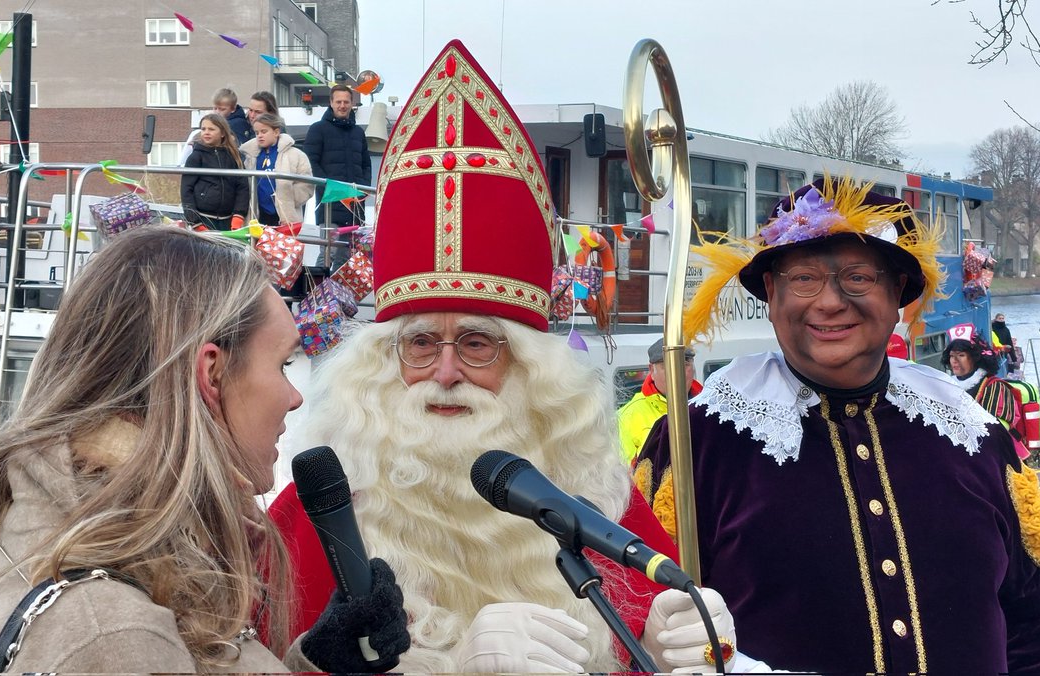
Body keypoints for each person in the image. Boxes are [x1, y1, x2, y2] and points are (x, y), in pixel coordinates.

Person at [269, 40, 744, 673]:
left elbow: (648, 629)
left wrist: (653, 653)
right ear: (383, 361)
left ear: (528, 368)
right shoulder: (316, 509)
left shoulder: (589, 491)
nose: (444, 374)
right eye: (419, 344)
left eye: (475, 343)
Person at [634, 177, 1040, 673]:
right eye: (803, 279)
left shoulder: (974, 435)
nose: (828, 302)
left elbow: (1033, 631)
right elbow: (640, 619)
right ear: (772, 294)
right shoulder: (697, 442)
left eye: (858, 277)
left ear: (897, 291)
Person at [0, 227, 408, 672]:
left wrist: (316, 663)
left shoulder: (55, 519)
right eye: (284, 364)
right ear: (211, 373)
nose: (295, 396)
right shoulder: (118, 637)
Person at [304, 84, 371, 270]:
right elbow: (310, 162)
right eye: (339, 101)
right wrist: (329, 187)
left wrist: (363, 187)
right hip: (330, 203)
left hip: (355, 203)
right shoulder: (318, 129)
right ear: (331, 103)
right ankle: (318, 295)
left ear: (352, 104)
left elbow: (366, 164)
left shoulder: (358, 133)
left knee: (347, 255)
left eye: (346, 102)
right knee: (328, 252)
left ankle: (340, 298)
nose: (342, 105)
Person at [941, 329, 1028, 460]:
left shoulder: (995, 387)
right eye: (952, 356)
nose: (954, 361)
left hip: (994, 457)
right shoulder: (947, 387)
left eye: (961, 355)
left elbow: (997, 429)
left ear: (976, 358)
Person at [616, 338, 702, 465]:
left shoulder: (712, 407)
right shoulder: (626, 418)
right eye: (668, 366)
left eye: (684, 364)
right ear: (651, 370)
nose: (676, 373)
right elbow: (623, 475)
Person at [241, 113, 313, 228]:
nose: (259, 136)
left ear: (276, 132)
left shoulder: (295, 155)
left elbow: (307, 184)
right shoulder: (250, 157)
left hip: (286, 216)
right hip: (258, 216)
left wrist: (289, 198)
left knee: (284, 245)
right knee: (257, 245)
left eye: (264, 132)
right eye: (256, 133)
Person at [181, 113, 249, 230]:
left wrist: (239, 215)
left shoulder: (233, 156)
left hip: (229, 219)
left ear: (222, 133)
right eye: (203, 129)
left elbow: (242, 187)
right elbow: (186, 190)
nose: (206, 132)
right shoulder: (195, 157)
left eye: (211, 129)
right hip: (203, 219)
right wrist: (194, 222)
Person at [991, 312, 1021, 378]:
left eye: (1002, 318)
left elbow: (1009, 342)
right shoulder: (992, 329)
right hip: (995, 351)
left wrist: (1014, 358)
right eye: (999, 318)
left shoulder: (1006, 330)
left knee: (1004, 366)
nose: (1001, 320)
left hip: (1003, 351)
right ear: (996, 319)